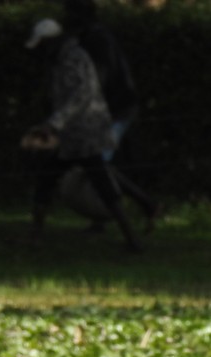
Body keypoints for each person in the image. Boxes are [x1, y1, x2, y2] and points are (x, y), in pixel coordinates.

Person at [23, 18, 143, 251]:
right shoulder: (60, 60)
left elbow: (81, 95)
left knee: (100, 182)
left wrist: (53, 124)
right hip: (71, 135)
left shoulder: (74, 59)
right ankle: (131, 237)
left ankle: (132, 238)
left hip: (85, 133)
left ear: (51, 41)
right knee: (51, 179)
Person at [61, 0, 160, 228]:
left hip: (116, 109)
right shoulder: (92, 36)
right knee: (96, 164)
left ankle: (145, 205)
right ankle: (109, 214)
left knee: (98, 164)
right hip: (112, 107)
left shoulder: (96, 38)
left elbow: (102, 76)